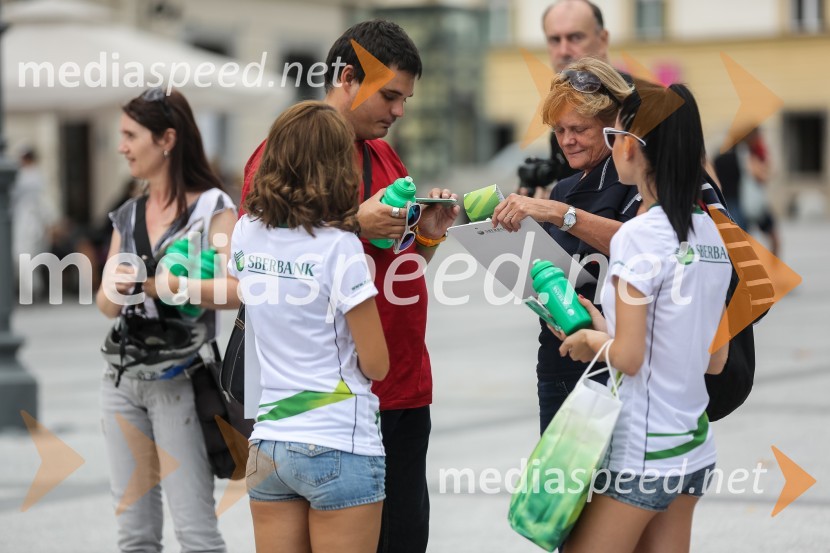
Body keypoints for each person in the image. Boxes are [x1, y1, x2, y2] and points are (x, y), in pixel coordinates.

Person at [238, 20, 460, 553]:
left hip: (403, 390)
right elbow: (270, 254)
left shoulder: (384, 157)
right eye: (389, 95)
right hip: (328, 412)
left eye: (406, 98)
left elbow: (401, 270)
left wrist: (426, 241)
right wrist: (353, 224)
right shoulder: (281, 158)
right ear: (346, 78)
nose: (399, 111)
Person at [552, 80, 731, 553]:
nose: (612, 149)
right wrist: (602, 325)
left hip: (644, 451)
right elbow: (712, 359)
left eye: (613, 137)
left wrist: (592, 342)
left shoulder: (638, 236)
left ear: (633, 146)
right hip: (693, 446)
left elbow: (629, 358)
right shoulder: (712, 233)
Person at [233, 100, 389, 553]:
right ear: (339, 167)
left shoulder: (247, 231)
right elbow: (376, 364)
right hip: (337, 438)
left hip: (269, 443)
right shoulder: (340, 249)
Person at [96, 88, 238, 553]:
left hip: (182, 378)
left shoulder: (212, 208)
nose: (122, 146)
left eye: (130, 135)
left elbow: (238, 291)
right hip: (120, 379)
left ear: (167, 139)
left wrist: (167, 286)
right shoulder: (129, 212)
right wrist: (116, 284)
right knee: (134, 536)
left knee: (196, 533)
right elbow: (106, 305)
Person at [493, 57, 639, 433]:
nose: (567, 141)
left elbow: (639, 244)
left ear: (614, 125)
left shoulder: (635, 179)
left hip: (612, 361)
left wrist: (560, 213)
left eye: (579, 129)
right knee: (559, 490)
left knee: (603, 487)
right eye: (559, 130)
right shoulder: (565, 186)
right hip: (559, 361)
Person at [516, 0, 612, 197]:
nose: (563, 51)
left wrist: (558, 213)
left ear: (602, 40)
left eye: (575, 37)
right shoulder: (562, 120)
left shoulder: (643, 106)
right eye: (554, 40)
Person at [713, 127, 780, 256]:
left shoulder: (718, 157)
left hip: (726, 203)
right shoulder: (744, 155)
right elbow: (762, 176)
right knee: (772, 238)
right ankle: (772, 270)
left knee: (738, 243)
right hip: (744, 204)